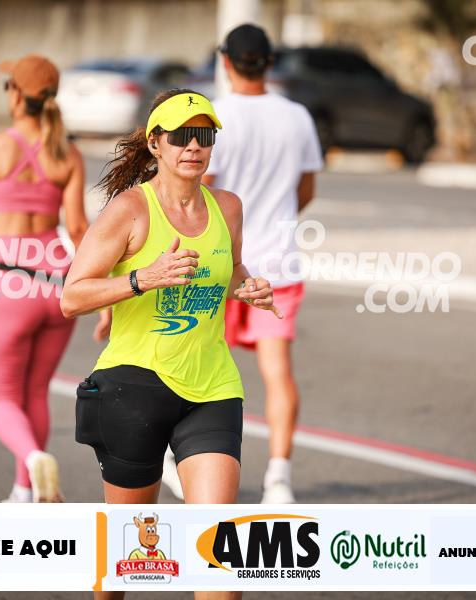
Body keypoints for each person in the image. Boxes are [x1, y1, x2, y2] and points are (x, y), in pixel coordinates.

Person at [61, 88, 280, 600]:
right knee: (125, 561)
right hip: (133, 389)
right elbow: (72, 297)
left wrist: (248, 286)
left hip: (212, 387)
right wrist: (144, 278)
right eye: (181, 136)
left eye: (204, 135)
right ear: (156, 143)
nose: (194, 146)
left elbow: (229, 268)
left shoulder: (228, 207)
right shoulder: (129, 210)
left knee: (221, 559)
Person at [170, 23, 321, 505]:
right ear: (269, 62)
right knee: (278, 372)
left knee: (191, 361)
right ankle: (279, 478)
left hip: (219, 263)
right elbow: (305, 190)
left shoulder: (216, 116)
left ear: (225, 61)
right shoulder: (297, 116)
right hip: (278, 263)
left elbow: (200, 190)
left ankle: (178, 459)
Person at [0, 54, 91, 503]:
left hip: (9, 278)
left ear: (16, 95)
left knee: (0, 396)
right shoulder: (68, 154)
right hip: (58, 282)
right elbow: (79, 229)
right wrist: (100, 295)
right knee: (36, 391)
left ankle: (33, 458)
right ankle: (24, 492)